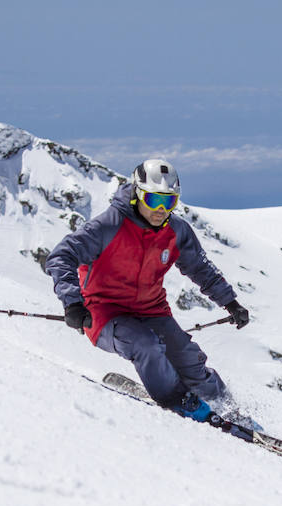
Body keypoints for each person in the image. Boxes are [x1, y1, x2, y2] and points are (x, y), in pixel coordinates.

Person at [45, 159, 249, 422]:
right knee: (146, 345)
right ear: (138, 194)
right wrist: (73, 303)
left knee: (190, 360)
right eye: (154, 200)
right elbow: (61, 256)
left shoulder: (176, 231)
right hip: (104, 313)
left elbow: (200, 267)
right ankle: (178, 401)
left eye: (170, 201)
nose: (161, 209)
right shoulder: (109, 225)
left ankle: (227, 408)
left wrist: (230, 302)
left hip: (152, 310)